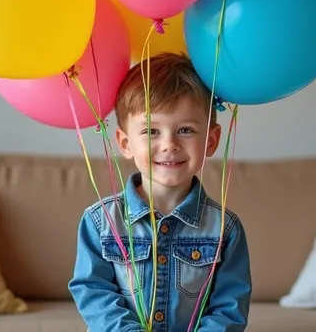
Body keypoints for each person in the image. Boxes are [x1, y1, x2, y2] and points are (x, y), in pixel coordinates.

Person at [68, 52, 252, 332]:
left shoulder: (226, 229)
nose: (169, 144)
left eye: (186, 130)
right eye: (152, 131)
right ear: (126, 143)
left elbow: (229, 306)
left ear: (212, 141)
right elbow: (93, 291)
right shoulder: (100, 221)